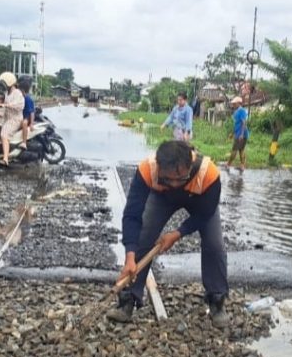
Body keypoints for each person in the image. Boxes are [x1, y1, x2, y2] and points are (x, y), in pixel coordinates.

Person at [107, 140, 228, 328]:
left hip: (199, 200)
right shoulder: (147, 169)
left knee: (215, 245)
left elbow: (205, 214)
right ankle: (127, 300)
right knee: (143, 236)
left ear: (189, 166)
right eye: (167, 179)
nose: (174, 184)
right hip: (162, 198)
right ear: (159, 166)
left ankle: (217, 300)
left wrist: (178, 233)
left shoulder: (209, 174)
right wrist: (130, 255)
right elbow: (132, 214)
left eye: (179, 179)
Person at [0, 71, 24, 166]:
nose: (3, 86)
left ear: (9, 82)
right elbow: (3, 105)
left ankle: (5, 159)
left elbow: (19, 105)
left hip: (15, 119)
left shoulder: (17, 93)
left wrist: (6, 105)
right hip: (7, 118)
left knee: (4, 135)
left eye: (4, 84)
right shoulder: (7, 93)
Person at [225, 96, 249, 171]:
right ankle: (242, 166)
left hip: (241, 134)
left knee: (234, 150)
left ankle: (228, 164)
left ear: (239, 103)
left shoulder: (242, 111)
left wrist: (241, 134)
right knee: (241, 150)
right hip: (239, 133)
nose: (233, 105)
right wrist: (232, 133)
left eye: (234, 103)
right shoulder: (236, 111)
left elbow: (244, 123)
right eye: (233, 103)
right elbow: (236, 124)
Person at [18, 76, 35, 149]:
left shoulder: (27, 99)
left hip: (26, 117)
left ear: (22, 90)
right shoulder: (19, 98)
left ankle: (24, 142)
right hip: (19, 116)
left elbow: (32, 112)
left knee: (24, 123)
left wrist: (31, 124)